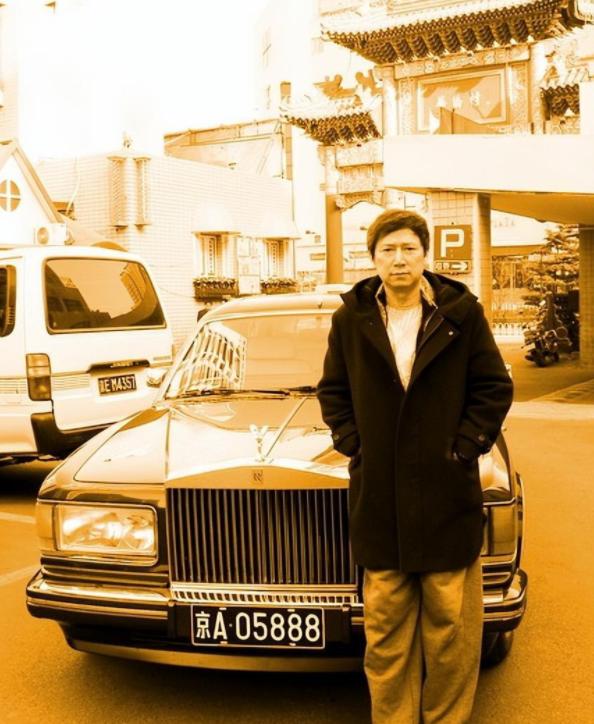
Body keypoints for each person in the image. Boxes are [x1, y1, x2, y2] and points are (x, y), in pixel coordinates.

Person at [316, 209, 513, 724]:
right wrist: (355, 444)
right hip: (380, 499)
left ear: (425, 254)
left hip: (447, 495)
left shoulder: (460, 314)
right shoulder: (351, 319)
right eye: (388, 250)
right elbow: (333, 390)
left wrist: (465, 448)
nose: (399, 259)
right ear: (373, 258)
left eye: (408, 248)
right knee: (385, 633)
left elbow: (493, 387)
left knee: (451, 631)